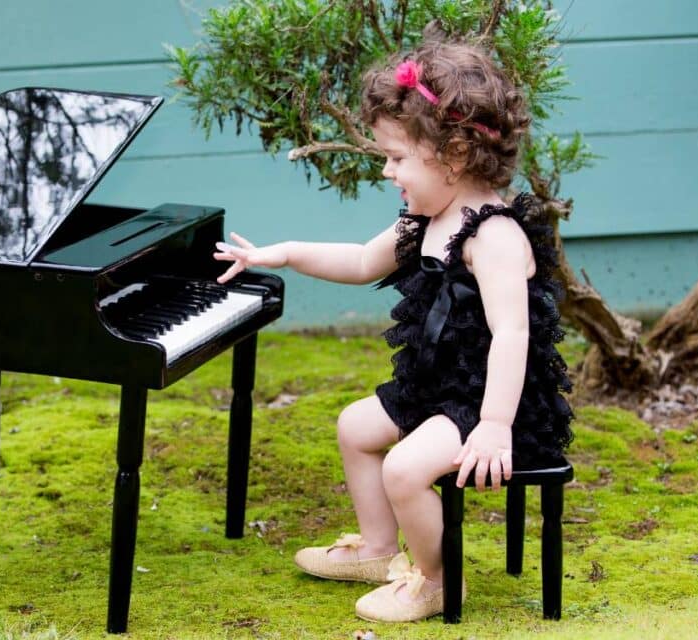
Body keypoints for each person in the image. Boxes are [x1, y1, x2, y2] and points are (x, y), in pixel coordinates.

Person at [212, 35, 573, 623]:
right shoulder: (424, 219)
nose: (386, 170)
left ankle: (436, 579)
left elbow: (513, 335)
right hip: (435, 388)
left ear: (453, 155)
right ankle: (379, 549)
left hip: (491, 407)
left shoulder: (495, 236)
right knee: (355, 427)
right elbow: (359, 262)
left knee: (403, 468)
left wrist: (494, 426)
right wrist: (281, 254)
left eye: (398, 157)